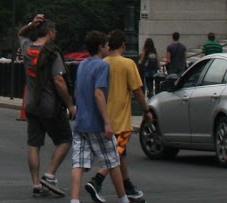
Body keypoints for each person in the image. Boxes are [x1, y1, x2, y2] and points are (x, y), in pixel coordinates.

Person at [85, 30, 150, 203]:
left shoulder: (102, 62)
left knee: (121, 155)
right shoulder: (128, 64)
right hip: (120, 120)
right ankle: (97, 180)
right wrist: (146, 111)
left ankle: (127, 187)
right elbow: (137, 91)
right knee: (114, 155)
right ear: (123, 45)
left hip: (104, 117)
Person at [70, 30, 129, 203]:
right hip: (96, 122)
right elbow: (99, 94)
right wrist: (107, 122)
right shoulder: (103, 66)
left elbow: (78, 92)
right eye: (106, 45)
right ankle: (123, 198)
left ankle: (74, 200)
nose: (108, 48)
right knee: (112, 161)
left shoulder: (81, 65)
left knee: (79, 163)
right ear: (100, 47)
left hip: (81, 122)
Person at [21, 16, 73, 197]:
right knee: (65, 139)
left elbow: (21, 34)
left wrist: (30, 25)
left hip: (31, 104)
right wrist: (70, 105)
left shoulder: (27, 48)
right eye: (55, 32)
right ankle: (50, 175)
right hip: (50, 105)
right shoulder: (52, 52)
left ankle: (36, 183)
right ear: (50, 32)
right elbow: (59, 80)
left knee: (34, 144)